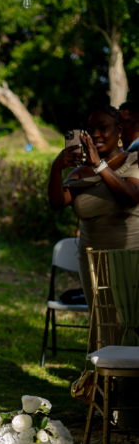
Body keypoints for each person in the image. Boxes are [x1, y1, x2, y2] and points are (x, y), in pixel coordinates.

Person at [48, 105, 139, 309]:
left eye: (102, 127)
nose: (95, 134)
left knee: (130, 326)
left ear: (120, 130)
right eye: (90, 129)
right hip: (92, 264)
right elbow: (56, 203)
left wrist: (99, 165)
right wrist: (56, 168)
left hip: (131, 260)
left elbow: (131, 196)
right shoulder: (80, 173)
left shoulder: (134, 160)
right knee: (102, 328)